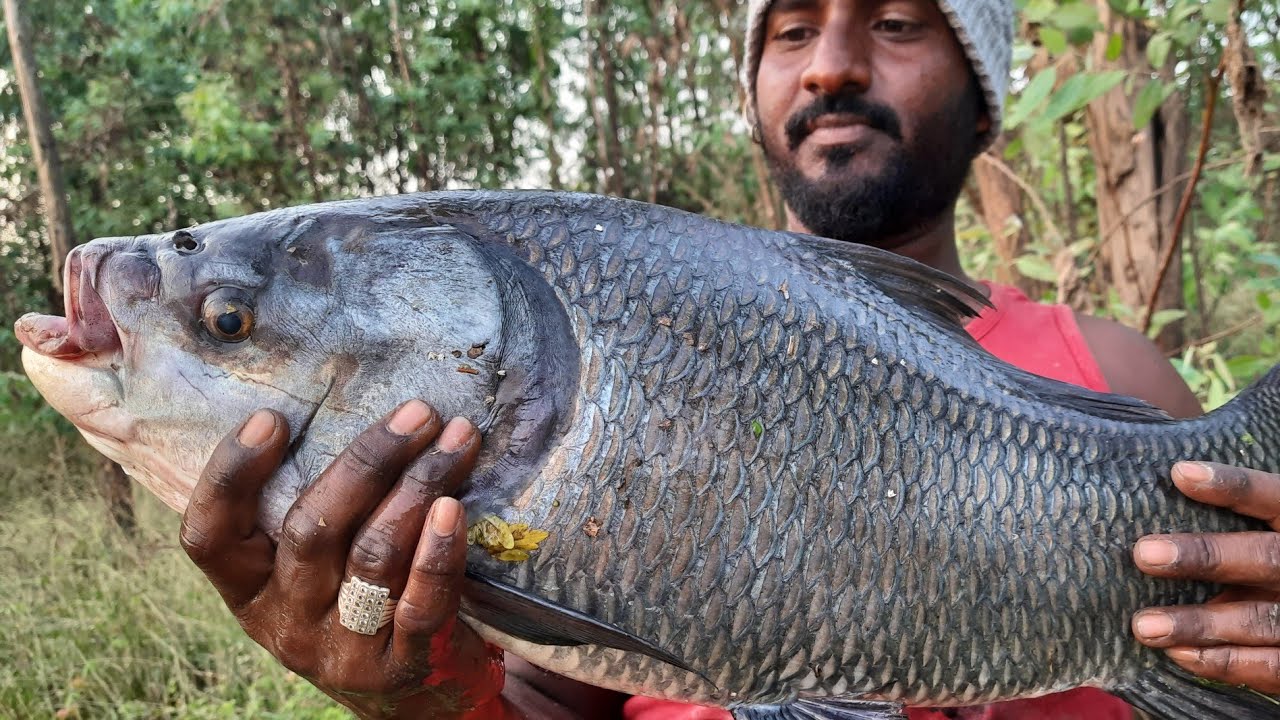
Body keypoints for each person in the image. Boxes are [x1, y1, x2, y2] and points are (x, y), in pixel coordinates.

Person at [177, 0, 1280, 717]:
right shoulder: (610, 338)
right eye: (790, 31)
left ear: (983, 95)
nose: (830, 67)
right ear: (755, 97)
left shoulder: (1124, 384)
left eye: (894, 21)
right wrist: (418, 696)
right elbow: (548, 701)